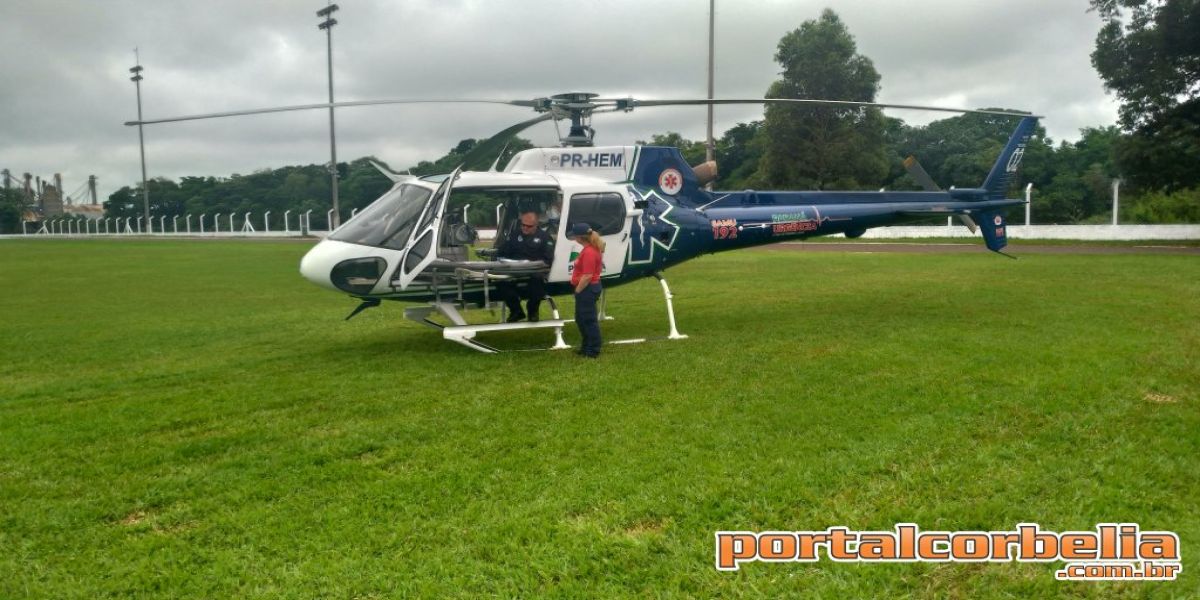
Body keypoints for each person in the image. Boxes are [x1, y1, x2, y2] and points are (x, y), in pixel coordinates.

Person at [495, 211, 554, 322]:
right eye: (523, 225)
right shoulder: (515, 235)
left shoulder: (545, 238)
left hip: (534, 271)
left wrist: (533, 265)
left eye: (529, 226)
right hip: (514, 271)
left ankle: (533, 311)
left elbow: (548, 259)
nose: (525, 228)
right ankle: (516, 311)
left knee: (537, 281)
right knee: (499, 282)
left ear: (536, 225)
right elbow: (502, 252)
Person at [569, 222, 605, 358]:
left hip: (587, 289)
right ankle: (586, 346)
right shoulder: (589, 249)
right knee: (581, 318)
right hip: (587, 288)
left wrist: (578, 291)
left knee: (588, 320)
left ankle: (593, 349)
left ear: (579, 237)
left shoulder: (589, 252)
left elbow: (588, 276)